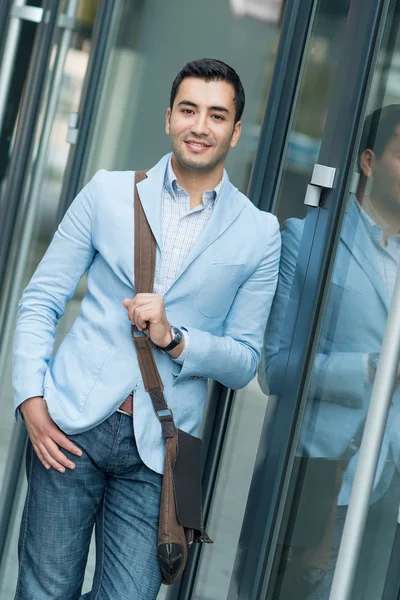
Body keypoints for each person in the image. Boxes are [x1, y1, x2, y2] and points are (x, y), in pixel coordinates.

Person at [12, 58, 281, 600]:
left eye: (216, 115)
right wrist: (31, 399)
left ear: (235, 131)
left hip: (161, 450)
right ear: (168, 119)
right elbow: (41, 299)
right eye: (188, 110)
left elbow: (245, 358)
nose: (200, 126)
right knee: (45, 590)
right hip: (71, 426)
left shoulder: (259, 232)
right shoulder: (107, 192)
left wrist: (176, 339)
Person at [259, 104, 400, 599]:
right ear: (368, 161)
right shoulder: (310, 240)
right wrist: (371, 370)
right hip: (331, 486)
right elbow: (274, 368)